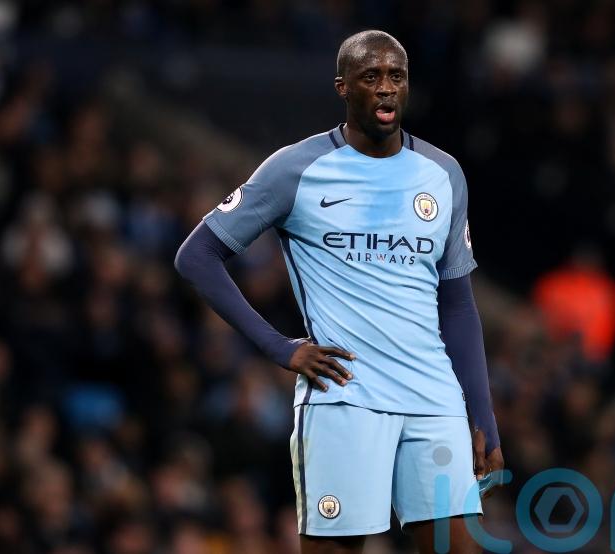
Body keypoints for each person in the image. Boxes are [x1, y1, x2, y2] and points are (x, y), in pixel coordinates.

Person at [175, 30, 503, 554]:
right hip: (346, 396)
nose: (385, 88)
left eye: (396, 76)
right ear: (342, 87)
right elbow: (196, 257)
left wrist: (482, 415)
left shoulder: (443, 174)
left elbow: (458, 304)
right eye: (370, 77)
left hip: (434, 400)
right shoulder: (296, 169)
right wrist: (278, 346)